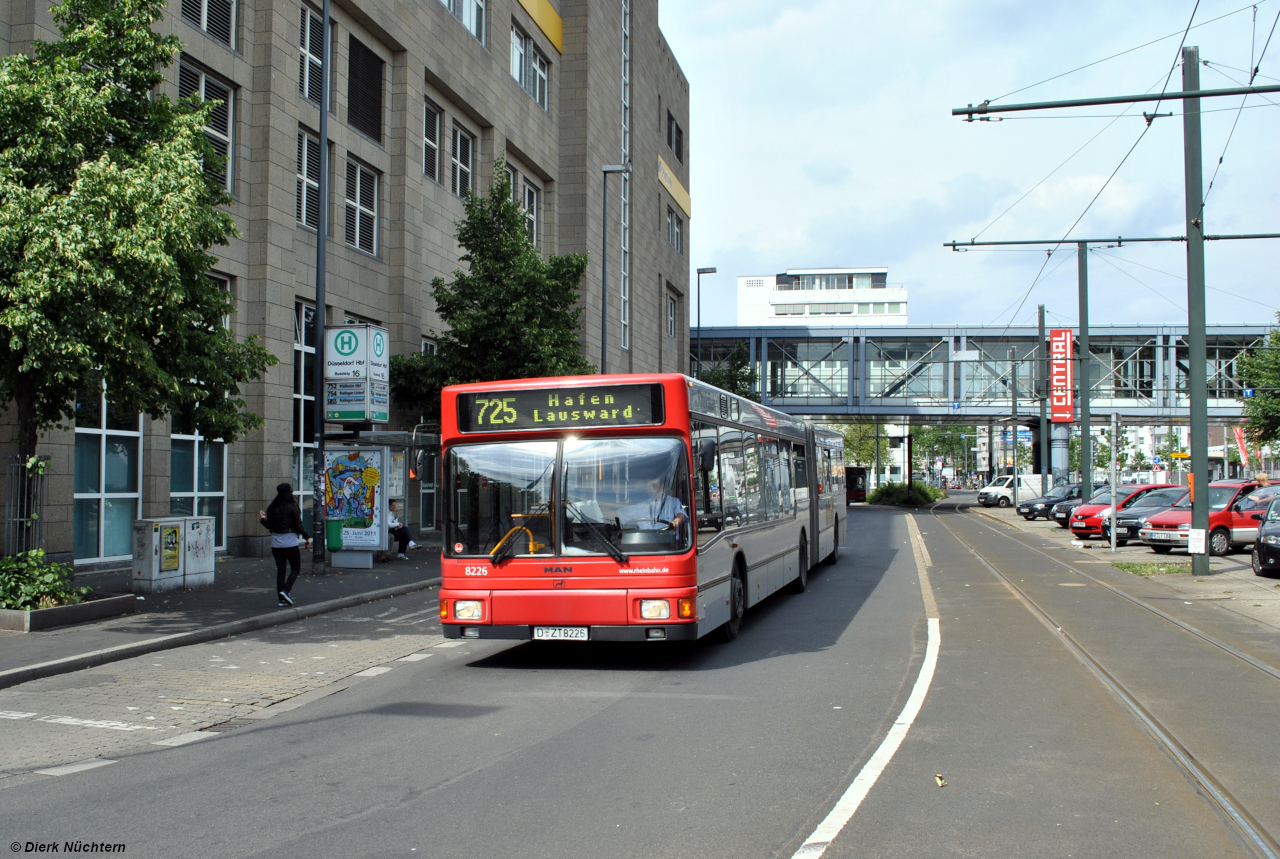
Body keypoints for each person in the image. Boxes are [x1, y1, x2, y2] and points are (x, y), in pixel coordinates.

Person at [259, 483, 311, 607]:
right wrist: (307, 537)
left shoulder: (272, 507)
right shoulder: (292, 506)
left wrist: (262, 519)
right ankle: (286, 591)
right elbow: (299, 524)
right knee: (295, 568)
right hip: (290, 542)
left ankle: (281, 599)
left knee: (281, 571)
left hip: (276, 544)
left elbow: (269, 526)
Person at [619, 476, 688, 531]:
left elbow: (681, 515)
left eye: (653, 485)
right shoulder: (642, 506)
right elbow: (620, 514)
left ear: (662, 486)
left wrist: (675, 523)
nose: (649, 489)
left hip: (668, 543)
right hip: (644, 543)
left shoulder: (672, 502)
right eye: (648, 487)